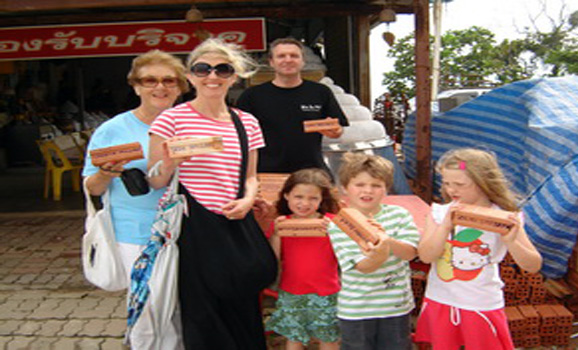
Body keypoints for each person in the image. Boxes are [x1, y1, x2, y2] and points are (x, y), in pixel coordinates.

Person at [146, 38, 277, 350]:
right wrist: (169, 163)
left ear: (235, 76)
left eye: (223, 69)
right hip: (193, 224)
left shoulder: (246, 122)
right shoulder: (171, 119)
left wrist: (247, 200)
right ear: (190, 77)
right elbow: (154, 180)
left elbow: (250, 176)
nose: (212, 76)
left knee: (243, 299)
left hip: (234, 219)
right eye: (202, 69)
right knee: (202, 309)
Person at [82, 49, 188, 348]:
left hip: (189, 232)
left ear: (181, 85)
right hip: (135, 233)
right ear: (136, 85)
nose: (160, 87)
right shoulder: (113, 130)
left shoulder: (193, 124)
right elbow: (92, 187)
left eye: (169, 80)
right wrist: (106, 173)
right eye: (150, 80)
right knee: (149, 311)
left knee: (183, 309)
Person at [414, 148, 542, 350]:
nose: (451, 190)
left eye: (460, 185)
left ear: (483, 183)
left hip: (480, 302)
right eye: (447, 183)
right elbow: (426, 255)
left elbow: (533, 264)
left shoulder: (505, 217)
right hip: (441, 299)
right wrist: (445, 226)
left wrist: (511, 241)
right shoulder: (439, 213)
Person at [327, 152, 419, 350]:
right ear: (344, 188)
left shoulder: (399, 215)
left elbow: (410, 253)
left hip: (396, 307)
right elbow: (363, 267)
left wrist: (386, 240)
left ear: (386, 189)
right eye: (359, 185)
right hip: (357, 310)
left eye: (376, 185)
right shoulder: (341, 224)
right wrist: (381, 249)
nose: (367, 191)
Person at [236, 37, 349, 175]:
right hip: (265, 173)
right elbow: (238, 135)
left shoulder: (320, 92)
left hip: (311, 173)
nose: (288, 60)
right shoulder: (251, 96)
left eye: (294, 56)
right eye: (281, 56)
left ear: (303, 61)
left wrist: (336, 131)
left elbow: (338, 130)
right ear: (271, 62)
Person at [266, 168, 341, 350]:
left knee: (329, 339)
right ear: (286, 195)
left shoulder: (330, 223)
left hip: (327, 293)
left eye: (313, 198)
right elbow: (273, 259)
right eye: (298, 197)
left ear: (322, 199)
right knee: (294, 338)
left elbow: (345, 255)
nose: (304, 204)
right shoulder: (282, 224)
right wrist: (276, 234)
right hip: (292, 292)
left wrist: (336, 231)